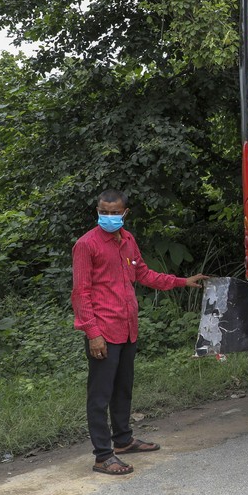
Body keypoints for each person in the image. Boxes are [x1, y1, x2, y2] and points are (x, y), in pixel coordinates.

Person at [72, 189, 208, 476]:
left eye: (114, 212)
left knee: (123, 389)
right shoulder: (87, 245)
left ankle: (122, 441)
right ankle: (102, 455)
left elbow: (144, 274)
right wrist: (93, 333)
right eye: (103, 211)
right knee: (100, 395)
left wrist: (183, 281)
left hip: (128, 328)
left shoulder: (127, 240)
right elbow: (80, 293)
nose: (108, 216)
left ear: (125, 213)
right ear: (98, 211)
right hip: (104, 330)